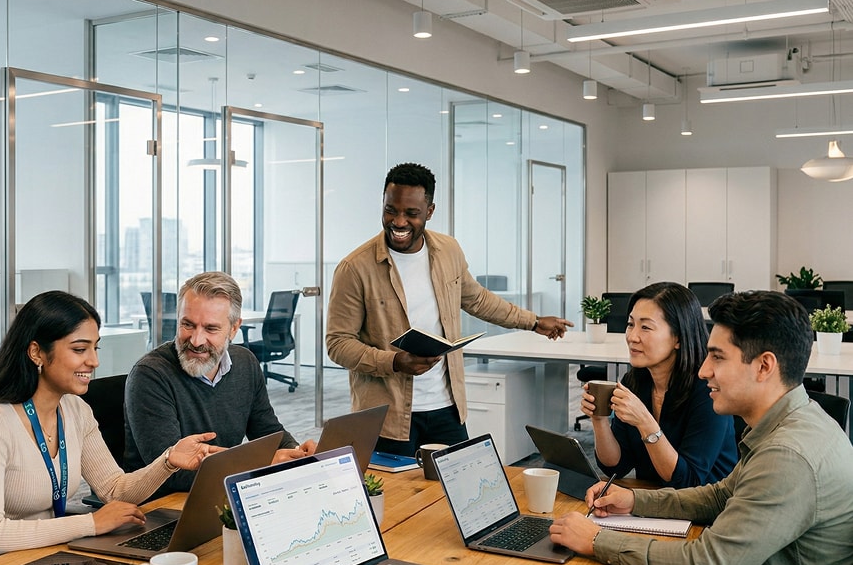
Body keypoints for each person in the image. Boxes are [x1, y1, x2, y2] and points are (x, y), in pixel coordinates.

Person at [550, 291, 853, 565]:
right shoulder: (791, 423)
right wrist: (635, 500)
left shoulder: (789, 456)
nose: (705, 370)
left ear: (764, 366)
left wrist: (597, 539)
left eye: (718, 357)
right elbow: (721, 496)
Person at [0, 291, 213, 564]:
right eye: (79, 349)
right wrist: (91, 524)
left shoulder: (75, 410)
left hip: (40, 555)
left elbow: (114, 490)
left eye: (95, 348)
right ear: (36, 352)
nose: (94, 361)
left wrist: (169, 460)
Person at [326, 162, 573, 456]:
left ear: (429, 211)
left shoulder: (448, 251)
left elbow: (477, 299)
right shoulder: (355, 268)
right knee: (397, 501)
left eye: (412, 213)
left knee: (458, 494)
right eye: (391, 210)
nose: (399, 221)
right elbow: (338, 343)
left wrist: (532, 322)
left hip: (447, 408)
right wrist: (394, 362)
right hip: (388, 417)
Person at [124, 271, 314, 494]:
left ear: (234, 328)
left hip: (220, 490)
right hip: (161, 507)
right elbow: (171, 474)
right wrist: (261, 463)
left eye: (210, 328)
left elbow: (268, 432)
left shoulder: (245, 363)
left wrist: (298, 452)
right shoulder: (150, 375)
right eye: (188, 325)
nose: (196, 340)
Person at [580, 282, 737, 487]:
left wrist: (645, 421)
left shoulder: (708, 390)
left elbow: (687, 480)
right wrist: (599, 420)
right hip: (653, 504)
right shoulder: (635, 382)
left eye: (645, 327)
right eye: (630, 324)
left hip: (705, 511)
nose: (632, 337)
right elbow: (615, 467)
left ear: (678, 338)